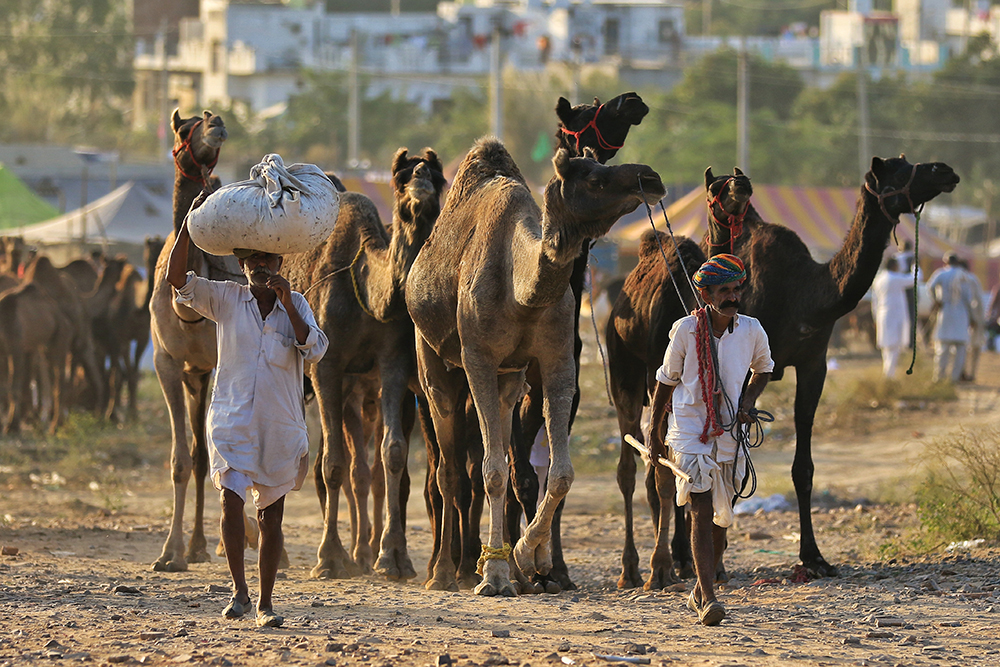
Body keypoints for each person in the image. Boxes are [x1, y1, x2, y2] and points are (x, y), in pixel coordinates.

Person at [166, 194, 329, 628]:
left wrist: (290, 303)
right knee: (230, 501)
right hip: (233, 420)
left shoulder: (298, 304)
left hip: (279, 426)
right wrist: (187, 225)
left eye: (268, 259)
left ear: (280, 262)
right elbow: (177, 280)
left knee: (271, 517)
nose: (261, 266)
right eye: (253, 260)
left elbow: (314, 348)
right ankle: (239, 591)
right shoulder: (225, 299)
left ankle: (266, 602)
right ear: (242, 265)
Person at [647, 254, 773, 626]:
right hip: (689, 430)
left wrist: (748, 401)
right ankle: (710, 599)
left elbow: (764, 368)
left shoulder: (751, 329)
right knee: (700, 507)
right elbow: (665, 382)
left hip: (731, 429)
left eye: (736, 289)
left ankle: (700, 588)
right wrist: (654, 434)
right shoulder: (686, 330)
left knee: (722, 516)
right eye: (724, 290)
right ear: (705, 294)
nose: (732, 297)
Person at [926, 252, 975, 383]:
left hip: (946, 312)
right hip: (962, 314)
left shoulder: (941, 273)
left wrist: (937, 300)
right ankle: (954, 379)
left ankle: (939, 377)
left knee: (943, 349)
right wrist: (972, 317)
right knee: (960, 349)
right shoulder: (965, 276)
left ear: (946, 262)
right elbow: (969, 299)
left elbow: (930, 286)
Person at [871, 257, 912, 378]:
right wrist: (915, 266)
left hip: (882, 315)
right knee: (894, 346)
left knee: (887, 347)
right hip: (895, 316)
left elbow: (874, 302)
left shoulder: (878, 279)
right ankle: (889, 375)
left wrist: (875, 319)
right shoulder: (895, 278)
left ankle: (888, 373)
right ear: (894, 266)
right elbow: (915, 279)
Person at [956, 259, 985, 382]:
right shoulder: (971, 279)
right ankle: (968, 373)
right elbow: (978, 301)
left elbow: (975, 300)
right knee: (972, 348)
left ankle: (963, 373)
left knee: (965, 347)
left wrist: (974, 319)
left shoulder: (967, 279)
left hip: (969, 319)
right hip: (972, 318)